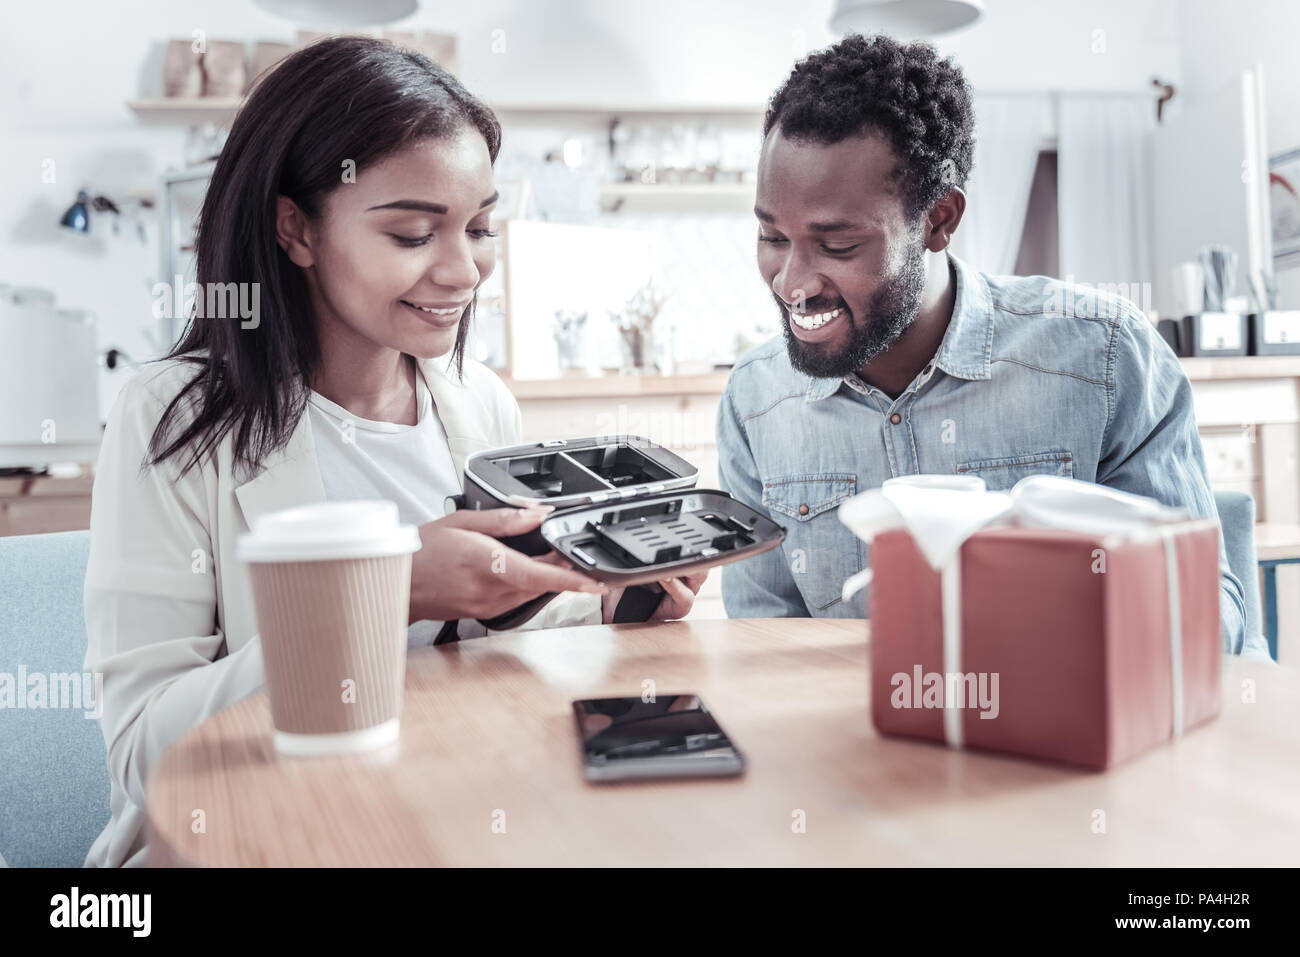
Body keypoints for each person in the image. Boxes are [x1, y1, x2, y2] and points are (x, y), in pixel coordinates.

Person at [84, 36, 704, 867]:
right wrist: (387, 592)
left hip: (442, 819)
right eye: (414, 234)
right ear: (295, 227)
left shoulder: (478, 402)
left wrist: (607, 603)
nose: (464, 270)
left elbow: (492, 642)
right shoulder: (173, 419)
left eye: (480, 227)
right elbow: (146, 747)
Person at [716, 33, 1266, 658]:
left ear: (938, 220)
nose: (793, 283)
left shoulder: (1107, 357)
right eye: (772, 237)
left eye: (838, 245)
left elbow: (1208, 623)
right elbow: (763, 648)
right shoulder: (755, 403)